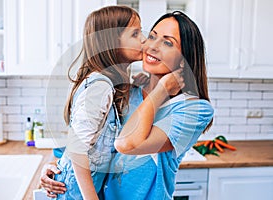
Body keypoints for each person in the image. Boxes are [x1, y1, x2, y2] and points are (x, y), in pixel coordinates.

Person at [41, 10, 213, 200]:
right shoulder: (124, 92)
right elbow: (83, 141)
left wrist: (161, 90)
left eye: (167, 42)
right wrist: (55, 170)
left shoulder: (194, 109)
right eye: (152, 36)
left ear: (185, 59)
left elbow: (127, 144)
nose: (152, 46)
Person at [51, 5, 147, 200]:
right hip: (76, 193)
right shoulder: (99, 87)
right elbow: (78, 149)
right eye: (135, 34)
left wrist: (132, 87)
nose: (143, 39)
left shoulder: (108, 84)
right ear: (112, 41)